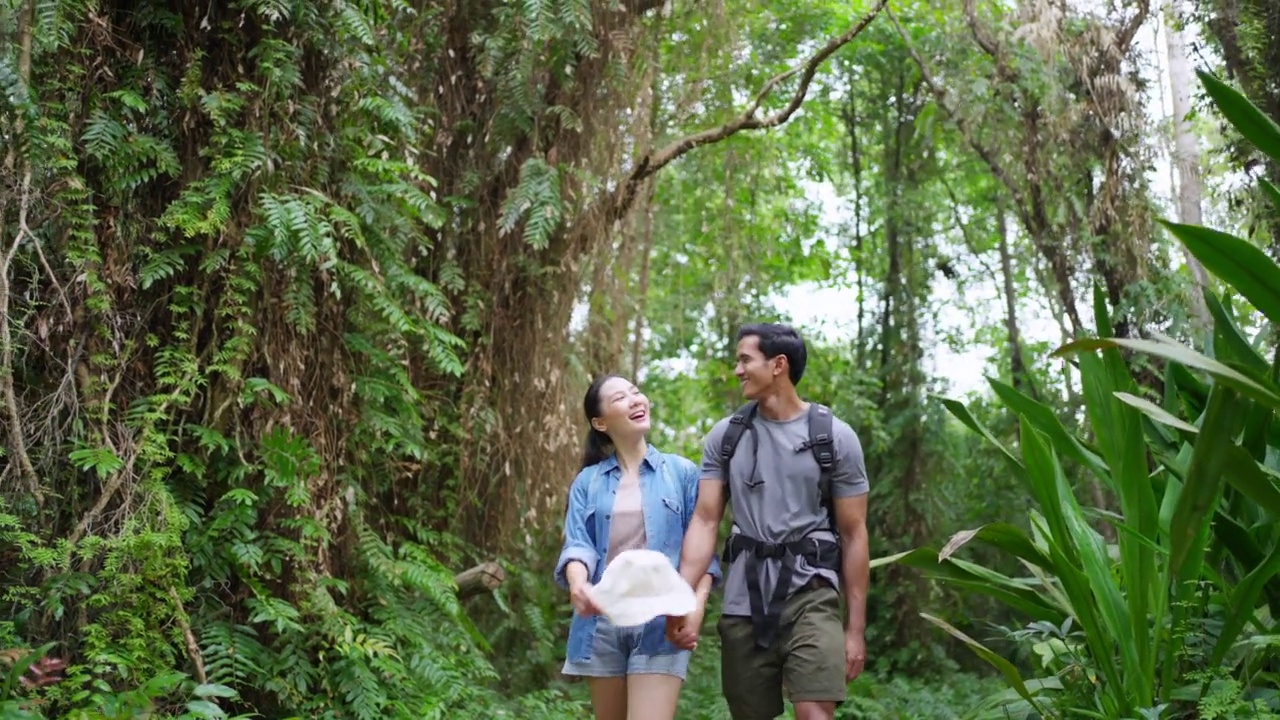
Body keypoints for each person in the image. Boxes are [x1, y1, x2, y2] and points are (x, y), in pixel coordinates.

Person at [667, 323, 870, 720]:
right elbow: (706, 521)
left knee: (815, 712)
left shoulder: (834, 437)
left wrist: (855, 630)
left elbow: (854, 533)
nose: (738, 370)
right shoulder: (726, 437)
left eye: (745, 359)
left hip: (812, 593)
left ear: (779, 364)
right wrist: (681, 597)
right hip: (745, 599)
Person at [554, 374, 722, 720]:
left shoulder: (682, 473)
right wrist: (577, 585)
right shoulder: (588, 481)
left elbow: (703, 552)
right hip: (601, 622)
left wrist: (695, 608)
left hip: (663, 621)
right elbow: (578, 546)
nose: (635, 400)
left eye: (636, 392)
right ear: (600, 422)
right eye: (620, 398)